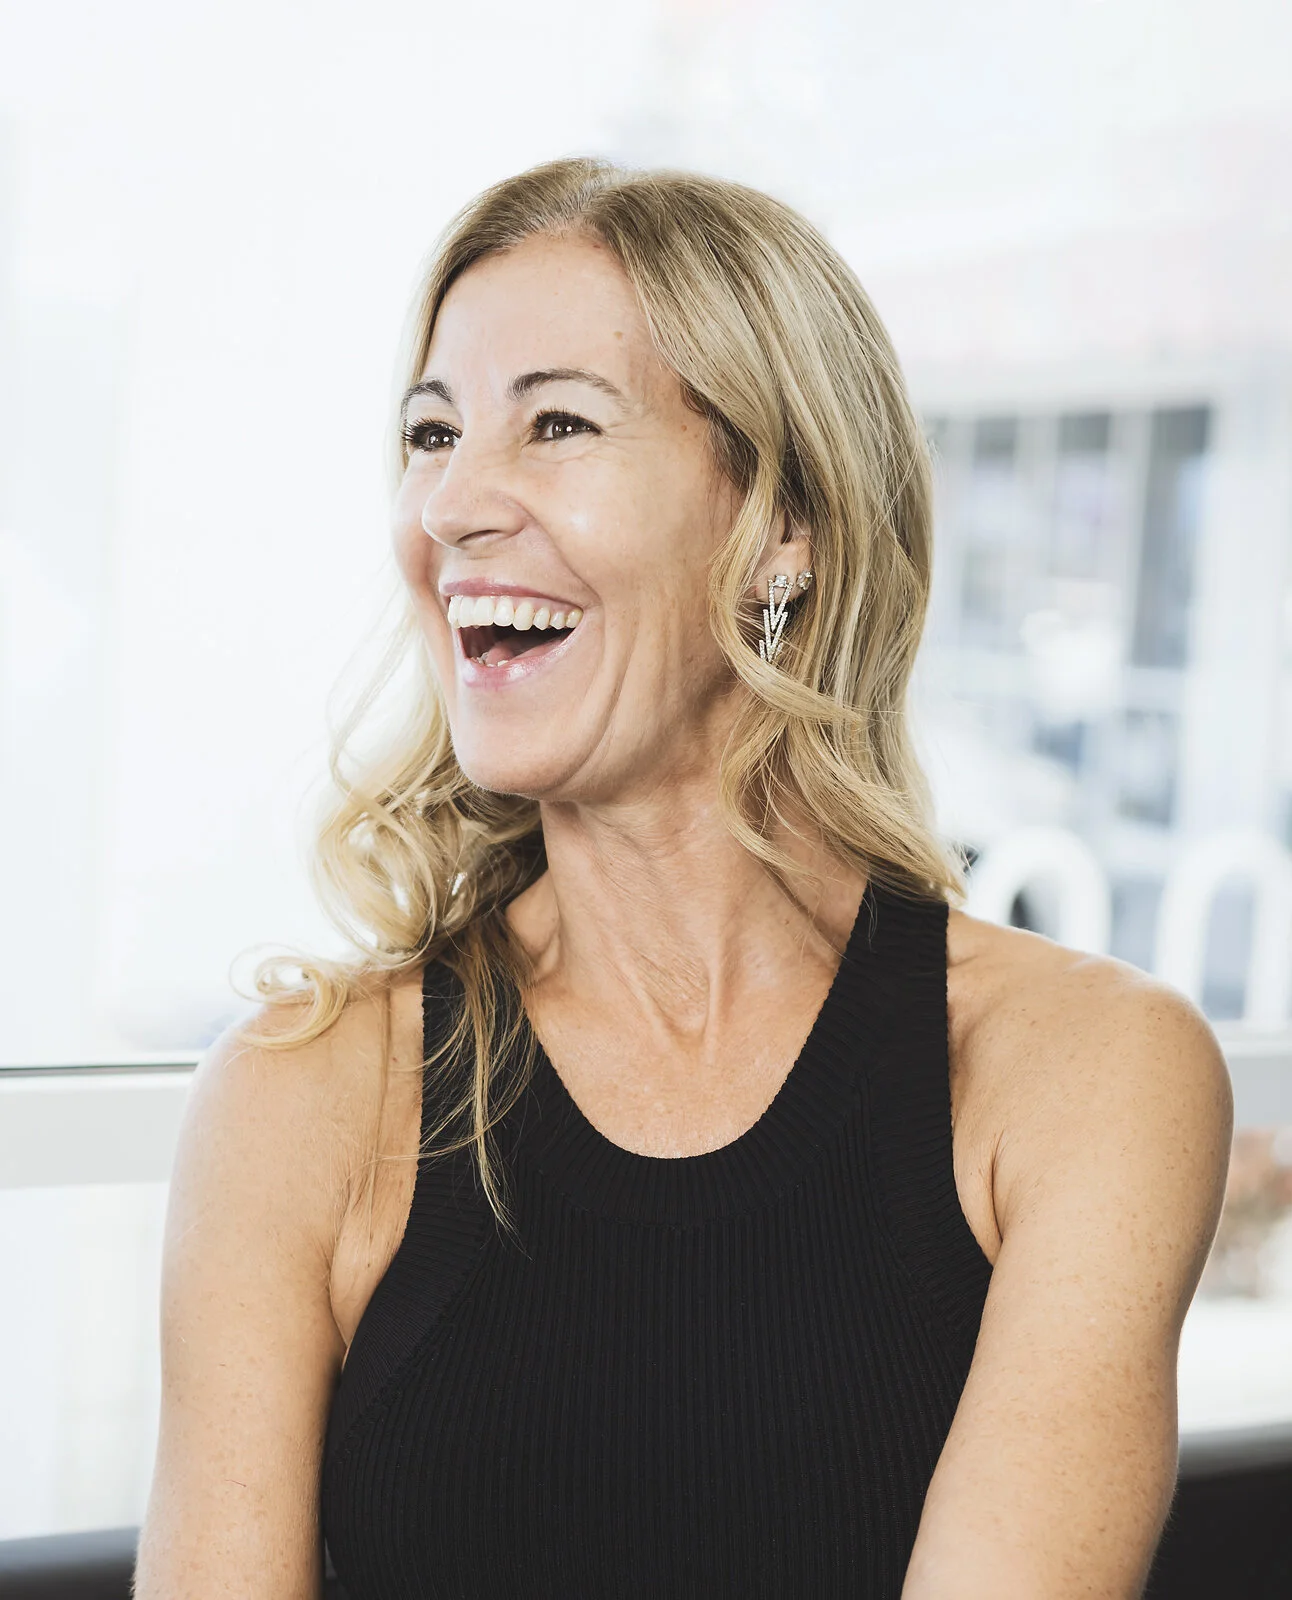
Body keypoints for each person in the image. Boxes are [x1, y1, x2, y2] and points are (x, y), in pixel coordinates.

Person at [134, 158, 1232, 1599]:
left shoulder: (1083, 1070)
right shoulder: (300, 1096)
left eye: (559, 424)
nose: (451, 505)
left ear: (783, 526)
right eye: (432, 433)